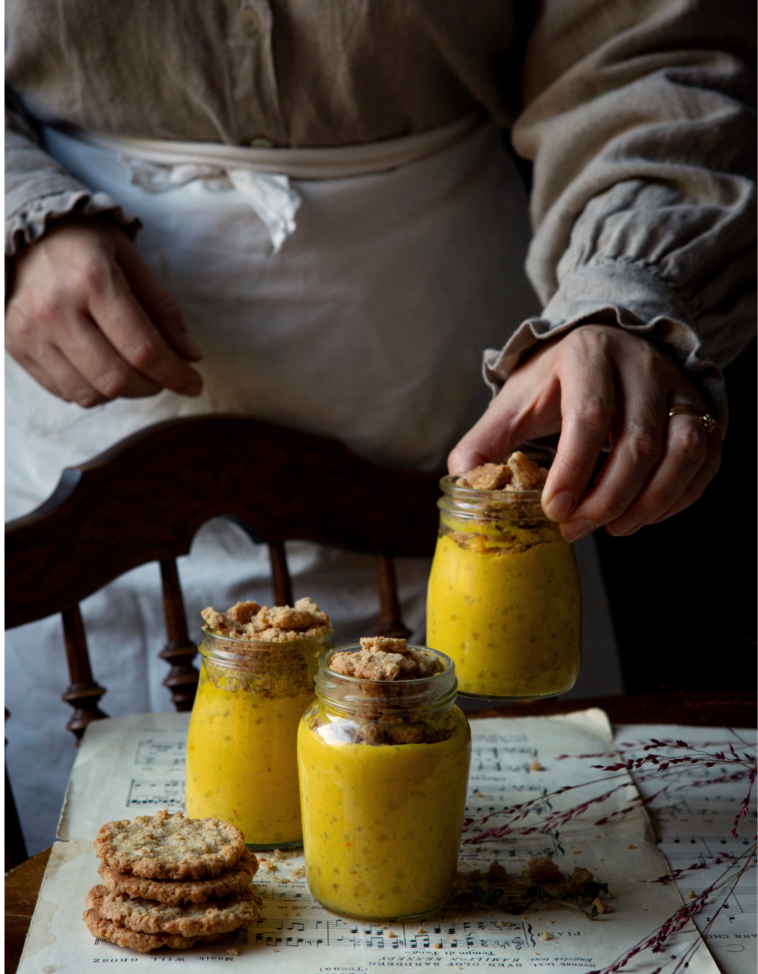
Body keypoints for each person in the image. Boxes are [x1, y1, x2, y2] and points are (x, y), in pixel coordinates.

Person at [5, 2, 755, 853]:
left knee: (520, 840)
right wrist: (14, 211)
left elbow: (654, 52)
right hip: (69, 354)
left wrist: (628, 291)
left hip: (436, 339)